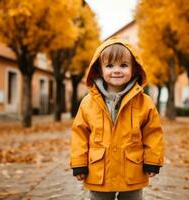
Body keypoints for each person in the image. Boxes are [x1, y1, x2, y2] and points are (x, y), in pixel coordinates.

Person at [70, 38, 164, 200]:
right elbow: (80, 133)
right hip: (100, 170)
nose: (116, 70)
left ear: (134, 69)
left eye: (124, 65)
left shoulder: (144, 103)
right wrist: (79, 163)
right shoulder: (88, 102)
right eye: (109, 66)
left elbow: (153, 133)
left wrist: (152, 160)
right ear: (99, 70)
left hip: (131, 169)